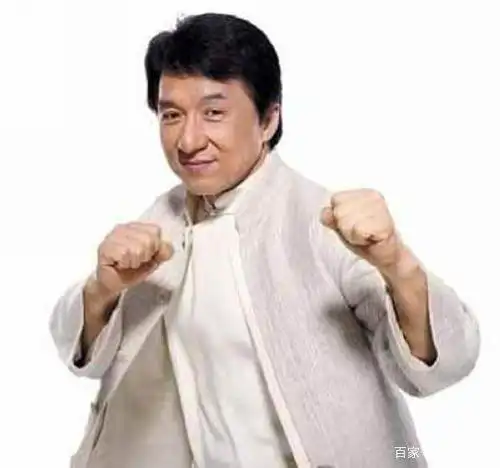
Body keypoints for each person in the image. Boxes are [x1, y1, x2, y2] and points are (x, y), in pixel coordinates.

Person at [49, 12, 480, 468]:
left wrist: (397, 265)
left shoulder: (322, 222)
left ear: (269, 118)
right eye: (171, 115)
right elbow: (79, 350)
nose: (188, 140)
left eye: (214, 113)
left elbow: (448, 362)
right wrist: (102, 290)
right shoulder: (163, 221)